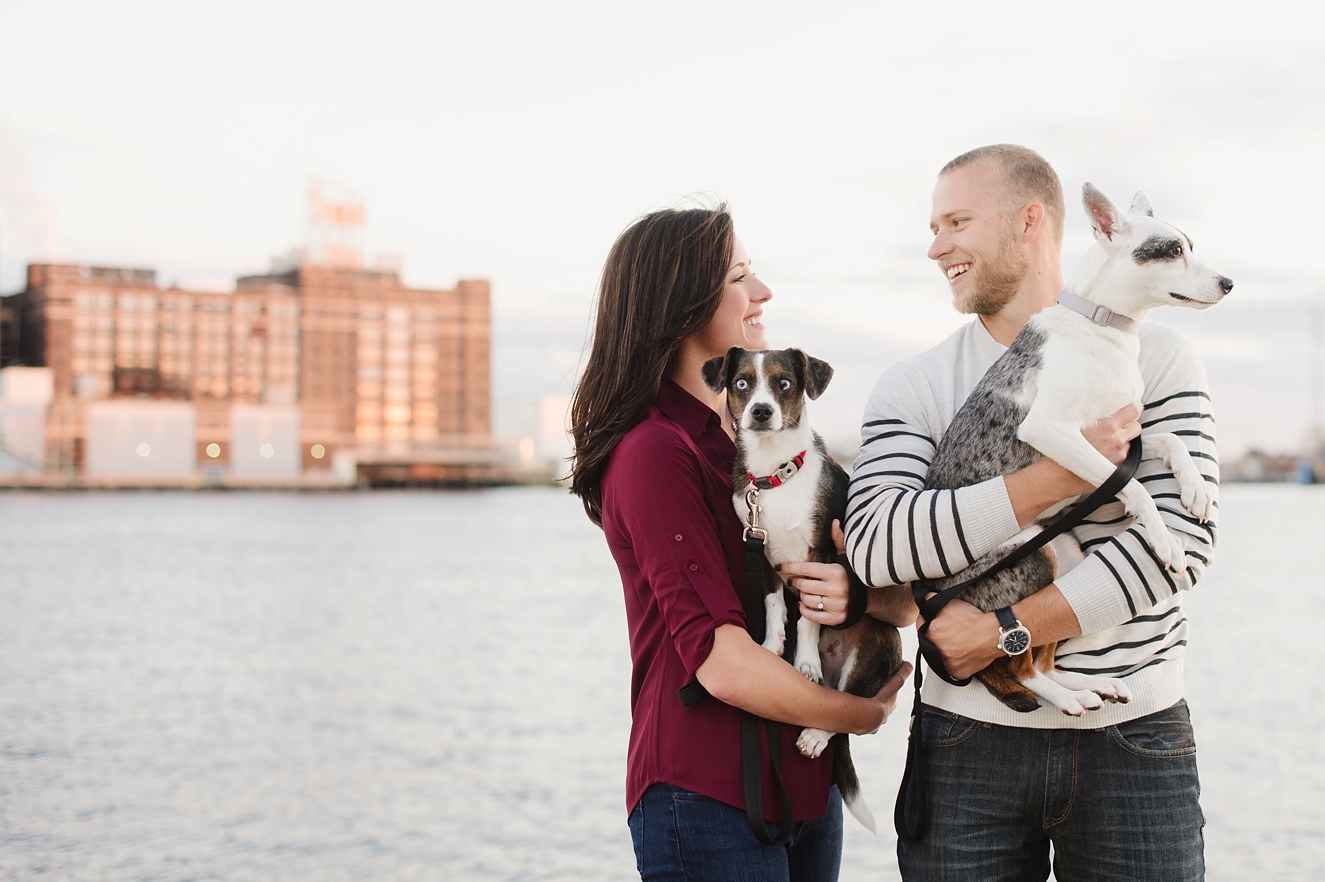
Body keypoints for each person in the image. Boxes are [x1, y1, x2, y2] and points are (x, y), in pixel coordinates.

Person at [843, 145, 1216, 881]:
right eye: (931, 225)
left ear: (1029, 222)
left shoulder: (1160, 355)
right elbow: (878, 548)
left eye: (955, 221)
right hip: (964, 744)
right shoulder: (912, 384)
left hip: (1135, 736)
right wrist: (1047, 481)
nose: (934, 246)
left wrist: (1001, 634)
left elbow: (1181, 543)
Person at [569, 205, 914, 881]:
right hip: (706, 797)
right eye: (740, 276)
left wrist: (858, 593)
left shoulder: (783, 452)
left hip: (805, 790)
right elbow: (720, 662)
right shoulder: (654, 454)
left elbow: (904, 602)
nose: (762, 292)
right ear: (681, 299)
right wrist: (860, 715)